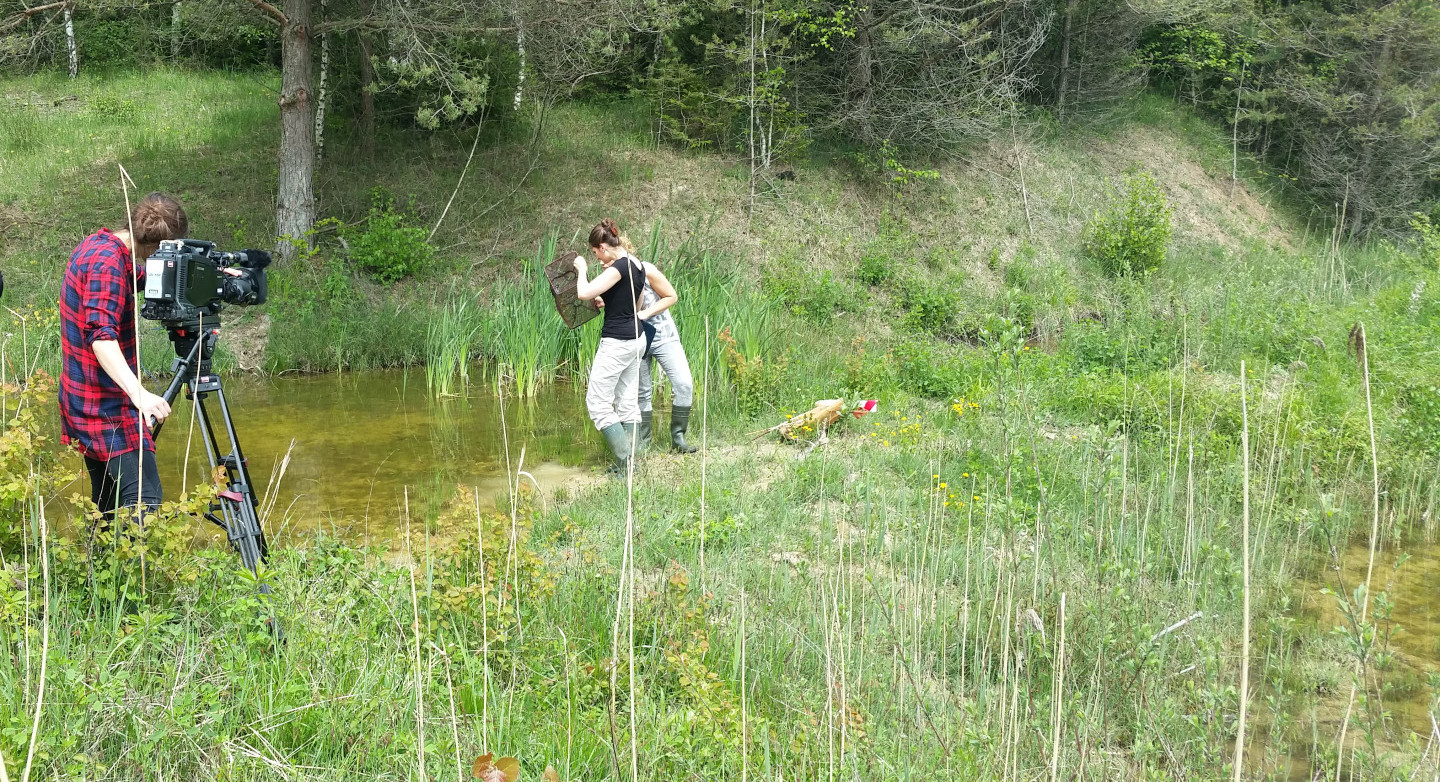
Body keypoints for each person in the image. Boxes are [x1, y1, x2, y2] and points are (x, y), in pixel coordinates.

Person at [59, 192, 187, 519]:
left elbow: (133, 277)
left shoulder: (101, 246)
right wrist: (140, 394)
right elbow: (101, 339)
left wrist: (211, 274)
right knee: (144, 502)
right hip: (105, 408)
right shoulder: (108, 265)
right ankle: (135, 569)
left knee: (108, 507)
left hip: (83, 398)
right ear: (158, 247)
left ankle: (101, 568)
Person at [574, 218, 648, 474]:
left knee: (597, 402)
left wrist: (582, 269)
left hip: (617, 342)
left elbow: (583, 293)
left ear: (604, 247)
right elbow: (636, 304)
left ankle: (625, 463)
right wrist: (612, 304)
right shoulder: (637, 264)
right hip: (637, 339)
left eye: (595, 253)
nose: (595, 258)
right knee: (627, 402)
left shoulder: (618, 267)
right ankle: (633, 463)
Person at [623, 240, 697, 454]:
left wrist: (645, 313)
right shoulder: (614, 278)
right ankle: (644, 443)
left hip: (664, 336)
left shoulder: (646, 270)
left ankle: (679, 438)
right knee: (642, 393)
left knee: (684, 384)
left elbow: (671, 296)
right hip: (635, 338)